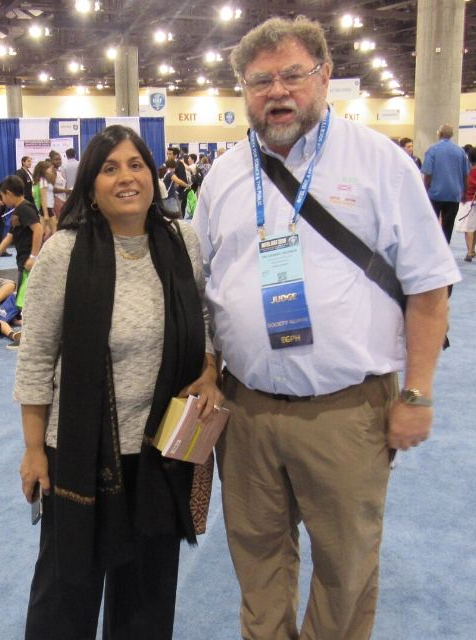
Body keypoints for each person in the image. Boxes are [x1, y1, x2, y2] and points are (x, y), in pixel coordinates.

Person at [192, 17, 460, 640]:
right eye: (260, 81)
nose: (277, 91)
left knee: (346, 567)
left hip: (346, 411)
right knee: (256, 561)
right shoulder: (224, 176)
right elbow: (204, 291)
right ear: (244, 91)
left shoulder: (380, 163)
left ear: (325, 76)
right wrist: (207, 368)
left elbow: (429, 288)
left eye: (293, 75)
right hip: (246, 410)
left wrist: (417, 393)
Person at [14, 124, 222, 639]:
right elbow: (35, 357)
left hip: (161, 452)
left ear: (153, 176)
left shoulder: (182, 242)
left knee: (147, 599)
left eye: (135, 165)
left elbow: (202, 318)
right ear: (90, 186)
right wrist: (34, 450)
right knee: (66, 595)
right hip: (80, 453)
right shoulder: (64, 253)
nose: (126, 178)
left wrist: (209, 369)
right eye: (110, 168)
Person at [422, 124, 470, 244]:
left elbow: (427, 173)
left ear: (440, 134)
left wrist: (425, 189)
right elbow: (466, 175)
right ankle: (445, 246)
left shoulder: (432, 150)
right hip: (453, 195)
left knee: (432, 222)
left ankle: (432, 246)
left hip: (435, 194)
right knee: (448, 225)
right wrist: (464, 193)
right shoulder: (460, 151)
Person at [0, 175, 43, 284]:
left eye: (2, 196)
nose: (2, 200)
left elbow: (38, 229)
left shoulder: (25, 208)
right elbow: (10, 236)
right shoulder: (18, 210)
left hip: (28, 260)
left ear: (8, 194)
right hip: (22, 259)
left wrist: (33, 256)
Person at [461, 146, 476, 261]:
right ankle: (472, 250)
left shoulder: (468, 171)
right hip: (472, 200)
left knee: (468, 228)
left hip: (469, 201)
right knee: (474, 228)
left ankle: (469, 251)